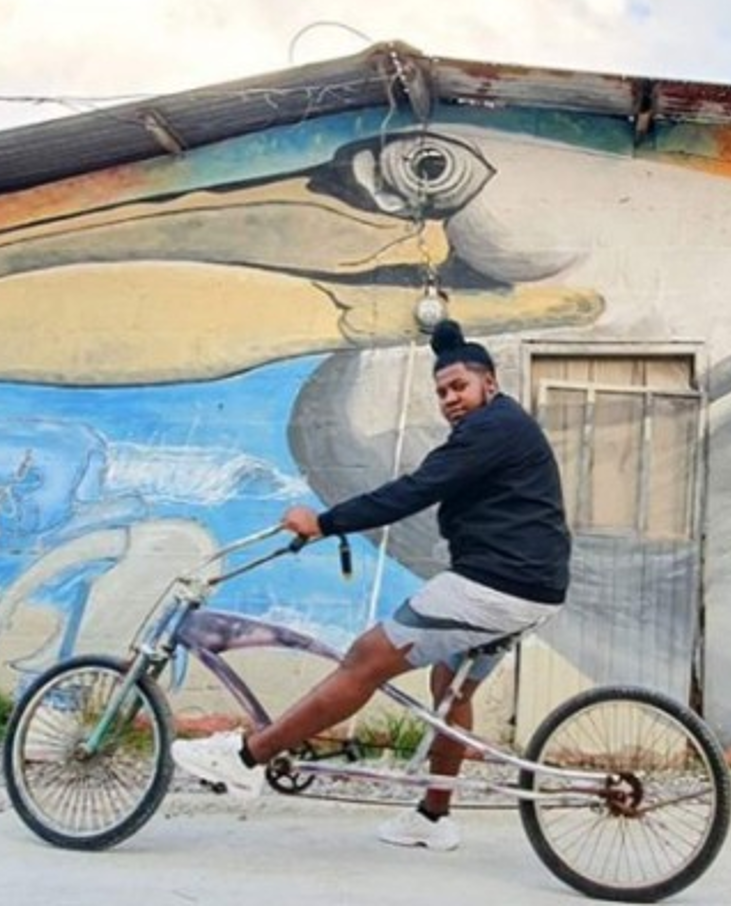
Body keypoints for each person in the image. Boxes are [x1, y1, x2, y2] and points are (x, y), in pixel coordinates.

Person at [171, 319, 571, 851]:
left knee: (364, 660)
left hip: (497, 584)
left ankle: (247, 758)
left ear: (489, 384)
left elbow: (413, 491)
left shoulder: (491, 429)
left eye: (460, 387)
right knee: (450, 688)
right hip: (529, 587)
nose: (450, 399)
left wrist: (325, 522)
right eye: (442, 392)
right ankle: (433, 818)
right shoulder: (498, 429)